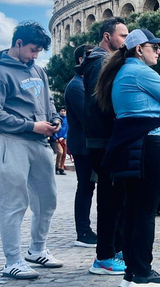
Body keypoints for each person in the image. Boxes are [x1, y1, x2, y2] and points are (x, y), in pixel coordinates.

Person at [96, 28, 160, 287]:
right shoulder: (141, 72)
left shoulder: (122, 73)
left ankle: (132, 270)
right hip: (149, 145)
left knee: (133, 210)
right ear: (138, 49)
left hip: (129, 146)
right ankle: (143, 272)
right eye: (153, 46)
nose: (158, 51)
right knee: (145, 212)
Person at [0, 21, 63, 279]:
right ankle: (12, 260)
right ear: (17, 43)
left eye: (39, 51)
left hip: (40, 142)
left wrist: (54, 119)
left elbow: (48, 101)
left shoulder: (39, 71)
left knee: (47, 199)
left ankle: (37, 250)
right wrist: (31, 125)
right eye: (32, 49)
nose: (36, 55)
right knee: (13, 202)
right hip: (14, 141)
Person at [80, 17, 129, 276]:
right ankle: (105, 256)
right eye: (122, 35)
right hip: (104, 139)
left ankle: (115, 250)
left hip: (105, 138)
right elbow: (103, 102)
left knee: (115, 197)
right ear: (107, 36)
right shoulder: (100, 61)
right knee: (110, 198)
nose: (125, 40)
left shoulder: (101, 60)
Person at [65, 44, 97, 247]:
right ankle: (83, 232)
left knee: (88, 186)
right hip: (83, 146)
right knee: (85, 187)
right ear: (81, 60)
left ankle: (86, 230)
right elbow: (88, 117)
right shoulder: (76, 86)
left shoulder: (82, 84)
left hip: (87, 144)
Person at [53, 108, 69, 174]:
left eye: (64, 111)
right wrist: (56, 137)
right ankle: (57, 167)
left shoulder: (67, 119)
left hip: (64, 139)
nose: (63, 112)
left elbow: (68, 129)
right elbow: (54, 128)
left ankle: (62, 168)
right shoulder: (57, 119)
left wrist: (64, 137)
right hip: (57, 139)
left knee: (64, 154)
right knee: (60, 152)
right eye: (61, 111)